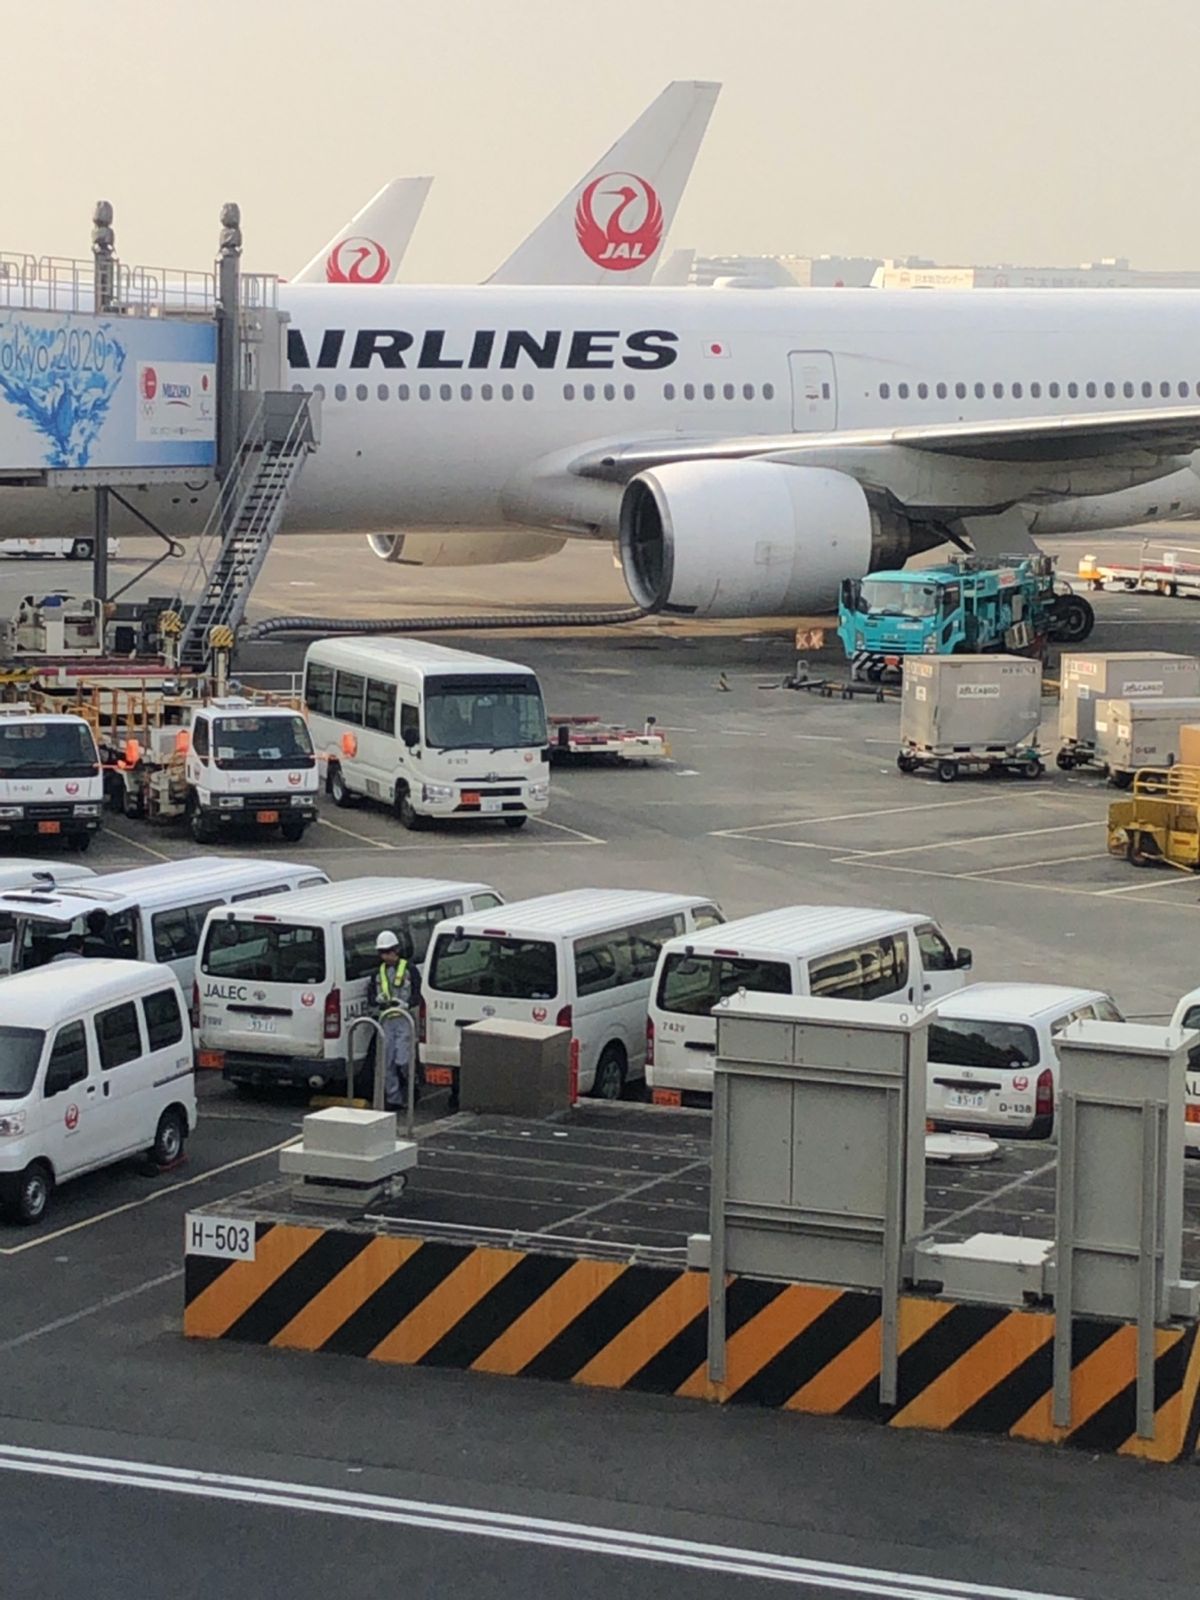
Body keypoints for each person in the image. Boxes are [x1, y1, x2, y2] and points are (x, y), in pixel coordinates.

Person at [368, 929, 415, 1111]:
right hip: (386, 1021)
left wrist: (407, 1004)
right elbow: (371, 997)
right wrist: (378, 1001)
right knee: (386, 1062)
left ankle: (410, 1089)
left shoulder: (409, 969)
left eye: (389, 952)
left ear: (396, 950)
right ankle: (394, 1099)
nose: (386, 956)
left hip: (404, 1020)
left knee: (403, 1061)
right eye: (382, 953)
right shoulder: (377, 973)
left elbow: (418, 994)